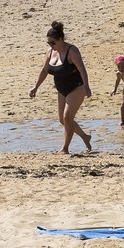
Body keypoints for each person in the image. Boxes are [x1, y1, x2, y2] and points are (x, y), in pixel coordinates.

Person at [29, 20, 92, 154]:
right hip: (61, 89)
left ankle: (65, 148)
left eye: (53, 42)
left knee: (67, 118)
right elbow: (45, 70)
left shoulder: (72, 50)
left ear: (61, 39)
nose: (51, 45)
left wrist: (87, 86)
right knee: (62, 120)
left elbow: (82, 69)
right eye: (49, 43)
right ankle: (85, 137)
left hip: (77, 87)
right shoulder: (50, 52)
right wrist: (36, 87)